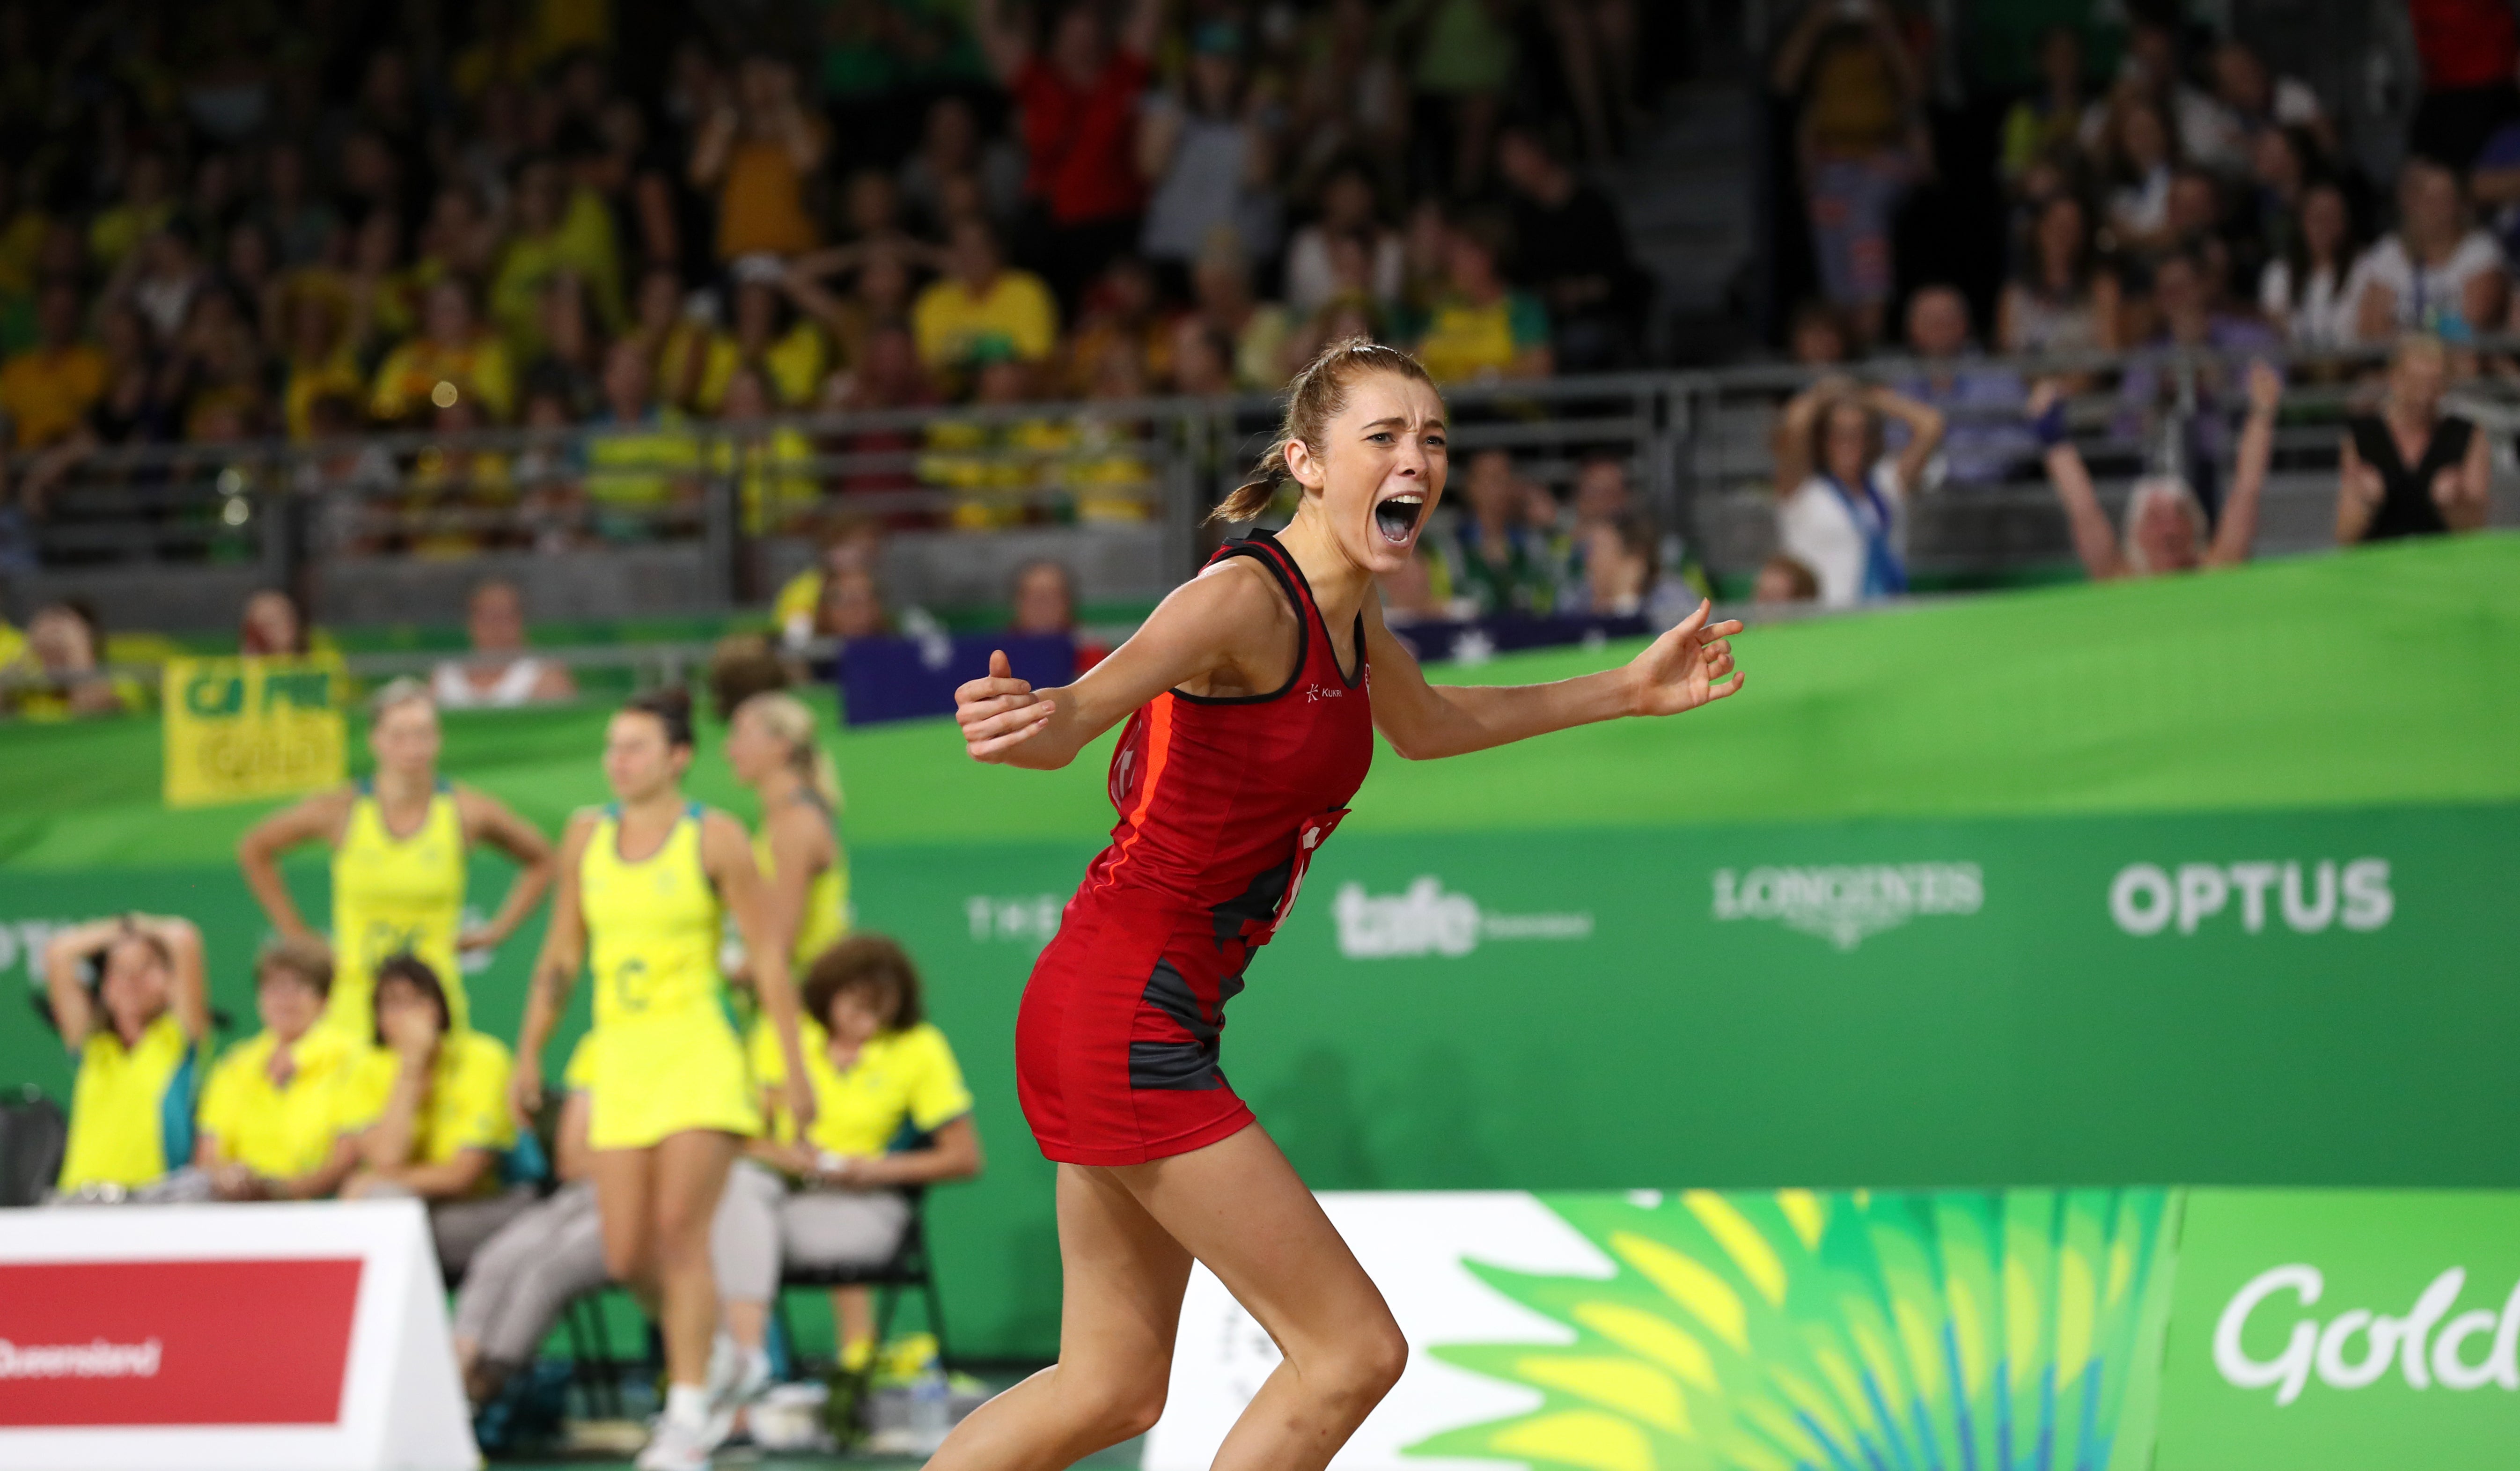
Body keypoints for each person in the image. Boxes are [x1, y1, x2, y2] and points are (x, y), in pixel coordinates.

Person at [932, 338, 1743, 1471]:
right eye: (1386, 436)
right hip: (1123, 1014)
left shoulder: (1350, 615)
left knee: (1109, 1385)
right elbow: (1077, 713)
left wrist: (1628, 688)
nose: (1418, 456)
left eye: (1435, 437)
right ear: (1306, 462)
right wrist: (1025, 718)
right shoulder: (1236, 600)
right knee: (1351, 1350)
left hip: (1118, 1010)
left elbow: (1429, 726)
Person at [509, 690, 815, 1471]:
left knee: (682, 1234)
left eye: (636, 747)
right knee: (623, 1254)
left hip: (700, 1054)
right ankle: (718, 1354)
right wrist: (527, 1052)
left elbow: (770, 960)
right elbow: (560, 956)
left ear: (677, 757)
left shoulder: (713, 837)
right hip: (619, 1057)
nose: (619, 760)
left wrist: (792, 1067)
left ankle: (684, 1418)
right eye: (613, 746)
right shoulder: (584, 835)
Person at [719, 934, 983, 1376]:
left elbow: (964, 1158)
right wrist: (789, 1158)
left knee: (734, 1236)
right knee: (735, 1193)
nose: (869, 1020)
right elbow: (745, 1138)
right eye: (858, 1005)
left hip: (867, 1202)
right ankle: (747, 1364)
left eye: (883, 1008)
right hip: (785, 1193)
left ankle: (828, 1362)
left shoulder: (919, 1046)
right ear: (828, 994)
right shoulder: (784, 1035)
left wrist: (877, 1170)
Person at [236, 679, 556, 1041]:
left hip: (434, 1001)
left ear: (439, 739)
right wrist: (298, 935)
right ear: (376, 740)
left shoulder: (466, 811)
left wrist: (496, 932)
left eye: (423, 734)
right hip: (354, 1001)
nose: (413, 747)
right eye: (398, 735)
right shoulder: (343, 809)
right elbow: (256, 847)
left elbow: (542, 860)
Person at [339, 955, 534, 1274]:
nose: (406, 1017)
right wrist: (411, 1069)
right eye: (392, 1005)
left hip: (488, 1205)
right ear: (377, 1018)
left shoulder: (484, 1058)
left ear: (440, 1008)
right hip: (409, 1207)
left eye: (417, 1001)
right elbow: (388, 1157)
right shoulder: (364, 1069)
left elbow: (463, 1175)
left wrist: (374, 1179)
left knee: (383, 1219)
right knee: (384, 1213)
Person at [976, 0, 1166, 307]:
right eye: (1074, 31)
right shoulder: (1036, 81)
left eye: (1093, 30)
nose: (1085, 40)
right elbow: (989, 24)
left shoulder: (1124, 75)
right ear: (1055, 35)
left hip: (1118, 225)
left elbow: (1151, 12)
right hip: (1052, 230)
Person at [2032, 360, 2278, 581]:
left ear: (2196, 527)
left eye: (2179, 516)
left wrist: (2263, 412)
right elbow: (2083, 510)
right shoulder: (2119, 580)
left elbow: (2247, 490)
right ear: (2135, 534)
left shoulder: (2218, 571)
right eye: (2156, 519)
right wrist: (2051, 433)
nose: (2169, 530)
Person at [1771, 0, 1926, 347]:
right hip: (1832, 161)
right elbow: (1782, 81)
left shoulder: (1895, 26)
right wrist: (1815, 20)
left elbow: (1917, 89)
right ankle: (1843, 338)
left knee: (1864, 215)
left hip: (1885, 158)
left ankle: (1872, 327)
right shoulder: (1819, 36)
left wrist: (1884, 27)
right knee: (1828, 214)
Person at [44, 914, 211, 1197]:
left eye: (146, 968)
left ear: (169, 981)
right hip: (82, 1195)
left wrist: (133, 926)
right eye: (119, 970)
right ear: (105, 986)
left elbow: (184, 939)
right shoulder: (94, 1046)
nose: (132, 980)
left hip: (157, 1196)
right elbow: (59, 954)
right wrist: (124, 929)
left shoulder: (178, 1039)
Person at [195, 938, 365, 1201]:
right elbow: (209, 1155)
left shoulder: (352, 1057)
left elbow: (349, 1156)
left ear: (324, 999)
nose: (285, 999)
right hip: (243, 1208)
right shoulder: (234, 1065)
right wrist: (229, 1177)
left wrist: (278, 1192)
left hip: (326, 1206)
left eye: (299, 986)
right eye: (274, 987)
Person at [1773, 378, 1945, 607]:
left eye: (1859, 432)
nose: (1850, 443)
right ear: (1823, 440)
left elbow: (1930, 424)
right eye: (1840, 433)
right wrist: (1828, 393)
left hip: (1886, 615)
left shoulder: (1886, 484)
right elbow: (1795, 422)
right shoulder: (1804, 490)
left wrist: (1870, 399)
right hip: (1824, 620)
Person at [726, 690, 851, 990]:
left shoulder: (796, 825)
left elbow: (779, 947)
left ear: (781, 746)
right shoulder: (780, 821)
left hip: (805, 1007)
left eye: (741, 736)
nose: (730, 750)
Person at [2337, 334, 2492, 543]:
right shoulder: (2363, 437)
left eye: (2434, 383)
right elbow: (2344, 537)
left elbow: (2478, 531)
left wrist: (2455, 505)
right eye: (2416, 382)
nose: (2425, 395)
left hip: (2444, 565)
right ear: (2395, 379)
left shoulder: (2467, 435)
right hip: (2381, 566)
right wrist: (2366, 505)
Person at [1888, 286, 2034, 489]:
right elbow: (1894, 442)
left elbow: (2018, 439)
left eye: (1946, 318)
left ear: (1964, 324)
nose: (1938, 326)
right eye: (1929, 319)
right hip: (1923, 497)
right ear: (1912, 329)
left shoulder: (1998, 376)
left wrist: (1957, 471)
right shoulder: (1901, 382)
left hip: (1989, 497)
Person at [2346, 157, 2506, 341]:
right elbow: (2370, 329)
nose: (2434, 209)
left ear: (2461, 205)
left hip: (2461, 362)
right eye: (2427, 198)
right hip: (2397, 363)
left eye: (2444, 199)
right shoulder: (2388, 251)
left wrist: (2410, 326)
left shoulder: (2480, 251)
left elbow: (2472, 326)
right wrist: (2436, 326)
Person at [433, 578, 579, 708]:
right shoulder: (446, 678)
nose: (496, 626)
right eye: (487, 616)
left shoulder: (545, 676)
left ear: (521, 620)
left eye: (505, 616)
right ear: (470, 622)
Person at [1010, 559, 1113, 673]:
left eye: (1051, 597)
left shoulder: (1090, 650)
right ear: (1018, 603)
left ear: (1068, 602)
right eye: (1035, 598)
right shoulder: (1000, 655)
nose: (1043, 606)